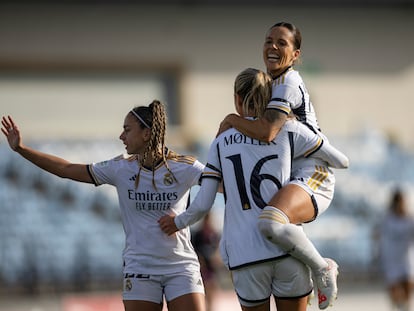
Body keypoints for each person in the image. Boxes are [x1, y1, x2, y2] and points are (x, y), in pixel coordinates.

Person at [159, 68, 348, 311]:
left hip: (244, 256)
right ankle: (322, 267)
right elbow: (341, 161)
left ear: (238, 98)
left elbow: (203, 204)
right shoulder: (288, 129)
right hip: (287, 251)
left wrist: (177, 223)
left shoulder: (220, 141)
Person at [1, 100, 206, 311]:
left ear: (146, 133)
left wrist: (184, 219)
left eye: (127, 130)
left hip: (181, 267)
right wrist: (21, 149)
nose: (121, 136)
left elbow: (221, 184)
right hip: (140, 268)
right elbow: (67, 168)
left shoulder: (184, 167)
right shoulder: (120, 168)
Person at [217, 22, 342, 309]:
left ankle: (322, 267)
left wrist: (230, 120)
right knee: (272, 223)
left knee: (271, 221)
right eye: (268, 40)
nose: (272, 47)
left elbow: (269, 131)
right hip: (292, 175)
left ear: (296, 54)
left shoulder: (288, 82)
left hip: (314, 174)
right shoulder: (269, 85)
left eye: (282, 43)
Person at [379, 188, 414, 311]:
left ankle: (407, 307)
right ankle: (395, 306)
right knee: (394, 287)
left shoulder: (410, 219)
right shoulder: (388, 220)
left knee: (408, 284)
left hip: (406, 257)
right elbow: (378, 236)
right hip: (392, 258)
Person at [191, 213, 221, 311]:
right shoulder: (198, 234)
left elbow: (217, 249)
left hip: (211, 267)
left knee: (211, 291)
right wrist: (200, 262)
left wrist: (216, 258)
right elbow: (194, 250)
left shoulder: (214, 234)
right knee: (202, 291)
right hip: (201, 268)